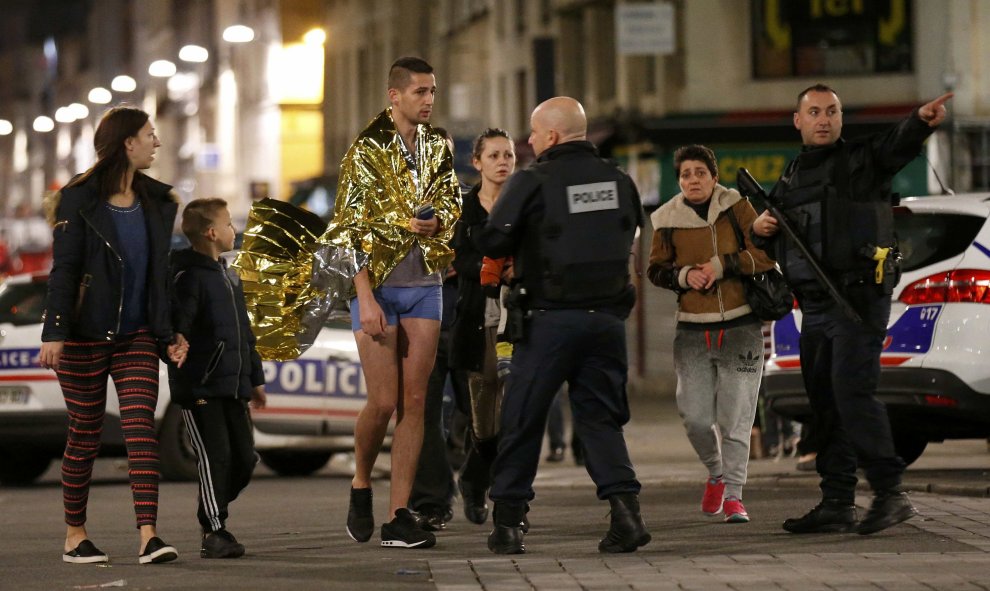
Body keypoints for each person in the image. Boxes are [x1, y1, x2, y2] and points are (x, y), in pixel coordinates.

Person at [751, 85, 953, 535]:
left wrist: (919, 121)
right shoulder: (792, 174)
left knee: (851, 393)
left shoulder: (861, 161)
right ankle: (837, 502)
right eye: (815, 112)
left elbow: (893, 146)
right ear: (798, 121)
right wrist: (762, 228)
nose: (824, 119)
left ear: (841, 119)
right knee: (825, 403)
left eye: (833, 112)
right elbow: (790, 235)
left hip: (857, 300)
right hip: (815, 308)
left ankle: (889, 492)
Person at [478, 96, 649, 554]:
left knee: (522, 419)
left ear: (551, 136)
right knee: (600, 421)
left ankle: (509, 524)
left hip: (549, 321)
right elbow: (632, 237)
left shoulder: (532, 180)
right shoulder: (618, 180)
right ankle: (627, 514)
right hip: (607, 323)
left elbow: (493, 237)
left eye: (533, 134)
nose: (528, 141)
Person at [39, 105, 184, 565]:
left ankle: (149, 536)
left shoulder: (159, 201)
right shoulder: (78, 199)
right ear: (127, 142)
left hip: (136, 335)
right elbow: (64, 270)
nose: (156, 142)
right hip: (84, 333)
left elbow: (158, 277)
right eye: (149, 134)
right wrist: (55, 331)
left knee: (142, 428)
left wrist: (167, 333)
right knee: (85, 433)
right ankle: (75, 534)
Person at [326, 56, 460, 549]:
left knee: (417, 401)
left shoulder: (435, 146)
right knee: (383, 402)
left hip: (425, 283)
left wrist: (435, 224)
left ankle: (398, 514)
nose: (428, 100)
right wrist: (363, 296)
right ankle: (361, 481)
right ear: (395, 95)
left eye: (433, 91)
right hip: (378, 287)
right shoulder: (365, 149)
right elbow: (348, 227)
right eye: (421, 91)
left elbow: (450, 201)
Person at [647, 144, 776, 523]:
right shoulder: (666, 218)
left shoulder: (737, 207)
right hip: (691, 331)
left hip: (741, 325)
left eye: (700, 173)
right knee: (695, 417)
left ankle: (735, 495)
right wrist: (685, 275)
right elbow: (656, 270)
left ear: (714, 177)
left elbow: (766, 256)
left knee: (735, 418)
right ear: (679, 181)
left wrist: (723, 265)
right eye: (686, 174)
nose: (693, 180)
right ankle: (716, 472)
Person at [168, 198, 267, 559]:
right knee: (215, 457)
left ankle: (214, 510)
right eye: (228, 224)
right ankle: (213, 529)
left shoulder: (228, 275)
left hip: (233, 386)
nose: (234, 230)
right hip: (200, 386)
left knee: (245, 458)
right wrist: (176, 339)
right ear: (211, 233)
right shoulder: (188, 276)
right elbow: (180, 322)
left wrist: (254, 379)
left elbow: (244, 332)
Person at [448, 127, 517, 525]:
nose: (502, 162)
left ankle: (511, 502)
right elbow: (460, 259)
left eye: (507, 155)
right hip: (479, 319)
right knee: (485, 420)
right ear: (477, 162)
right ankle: (474, 480)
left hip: (519, 319)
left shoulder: (525, 201)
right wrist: (494, 269)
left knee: (518, 414)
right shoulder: (465, 208)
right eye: (493, 155)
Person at [409, 128, 469, 531]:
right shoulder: (398, 202)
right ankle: (432, 501)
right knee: (422, 413)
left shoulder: (470, 202)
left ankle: (482, 483)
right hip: (420, 319)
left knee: (483, 414)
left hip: (467, 316)